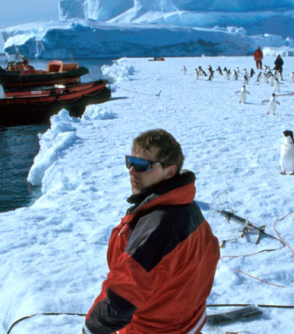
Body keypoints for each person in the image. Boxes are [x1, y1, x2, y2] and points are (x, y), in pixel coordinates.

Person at [83, 129, 220, 334]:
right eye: (130, 162)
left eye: (141, 165)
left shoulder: (158, 227)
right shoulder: (185, 204)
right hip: (185, 323)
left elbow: (122, 297)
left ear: (170, 171)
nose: (131, 171)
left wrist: (90, 329)